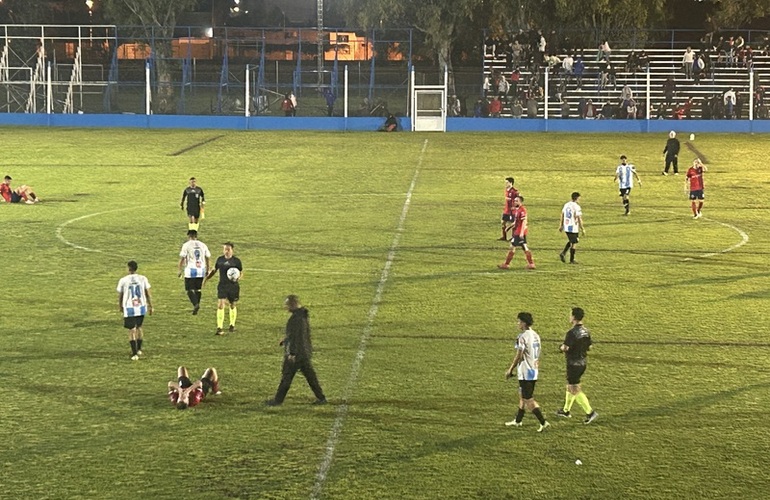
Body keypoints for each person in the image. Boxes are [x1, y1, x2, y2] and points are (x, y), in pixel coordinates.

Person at [265, 295, 327, 406]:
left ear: (292, 305)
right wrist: (285, 339)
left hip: (297, 354)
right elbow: (297, 335)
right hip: (304, 352)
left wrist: (292, 353)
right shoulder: (301, 316)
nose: (285, 307)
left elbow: (298, 337)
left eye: (287, 305)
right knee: (310, 377)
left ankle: (278, 400)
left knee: (287, 377)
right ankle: (321, 398)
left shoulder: (296, 319)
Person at [504, 312, 550, 432]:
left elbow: (519, 355)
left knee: (528, 399)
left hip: (525, 372)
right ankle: (518, 420)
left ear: (524, 323)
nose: (517, 324)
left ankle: (543, 422)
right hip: (533, 370)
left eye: (519, 321)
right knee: (522, 395)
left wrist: (510, 369)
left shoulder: (522, 337)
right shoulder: (536, 335)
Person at [556, 307, 598, 424]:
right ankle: (566, 410)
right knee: (571, 386)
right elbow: (590, 347)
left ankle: (590, 412)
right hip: (582, 362)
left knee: (574, 389)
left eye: (570, 315)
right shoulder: (586, 331)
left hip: (573, 364)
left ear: (574, 317)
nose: (569, 317)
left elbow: (565, 348)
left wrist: (561, 347)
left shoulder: (572, 333)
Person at [116, 260, 153, 360]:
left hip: (129, 308)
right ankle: (139, 349)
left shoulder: (123, 280)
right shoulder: (143, 278)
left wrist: (120, 305)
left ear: (128, 268)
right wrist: (151, 306)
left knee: (132, 330)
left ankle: (134, 353)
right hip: (141, 306)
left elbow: (121, 294)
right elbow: (148, 293)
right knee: (139, 327)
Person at [205, 242, 242, 335]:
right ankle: (219, 328)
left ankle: (232, 325)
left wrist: (238, 278)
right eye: (225, 249)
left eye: (228, 249)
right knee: (220, 305)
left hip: (233, 286)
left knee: (232, 305)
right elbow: (214, 270)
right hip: (222, 286)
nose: (226, 251)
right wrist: (206, 279)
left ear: (232, 250)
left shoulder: (236, 261)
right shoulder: (220, 259)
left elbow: (241, 272)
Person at [178, 229, 211, 315]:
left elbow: (182, 258)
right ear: (196, 236)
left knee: (189, 289)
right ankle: (197, 305)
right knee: (198, 289)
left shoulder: (186, 245)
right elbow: (208, 257)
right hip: (201, 270)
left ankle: (195, 304)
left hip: (191, 270)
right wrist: (208, 269)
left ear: (189, 236)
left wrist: (179, 270)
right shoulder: (203, 245)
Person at [498, 195, 535, 270]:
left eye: (516, 201)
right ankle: (531, 264)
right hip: (518, 232)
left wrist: (521, 233)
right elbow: (516, 222)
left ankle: (506, 264)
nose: (514, 202)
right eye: (514, 201)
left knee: (512, 247)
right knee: (524, 246)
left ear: (520, 202)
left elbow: (524, 222)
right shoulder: (516, 210)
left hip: (519, 232)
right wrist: (509, 227)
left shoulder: (522, 210)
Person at [559, 192, 585, 264]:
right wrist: (582, 228)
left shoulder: (566, 205)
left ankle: (563, 254)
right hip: (573, 227)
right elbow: (579, 218)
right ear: (577, 198)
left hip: (567, 226)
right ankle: (571, 259)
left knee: (572, 241)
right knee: (574, 242)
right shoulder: (576, 207)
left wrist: (561, 225)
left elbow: (562, 215)